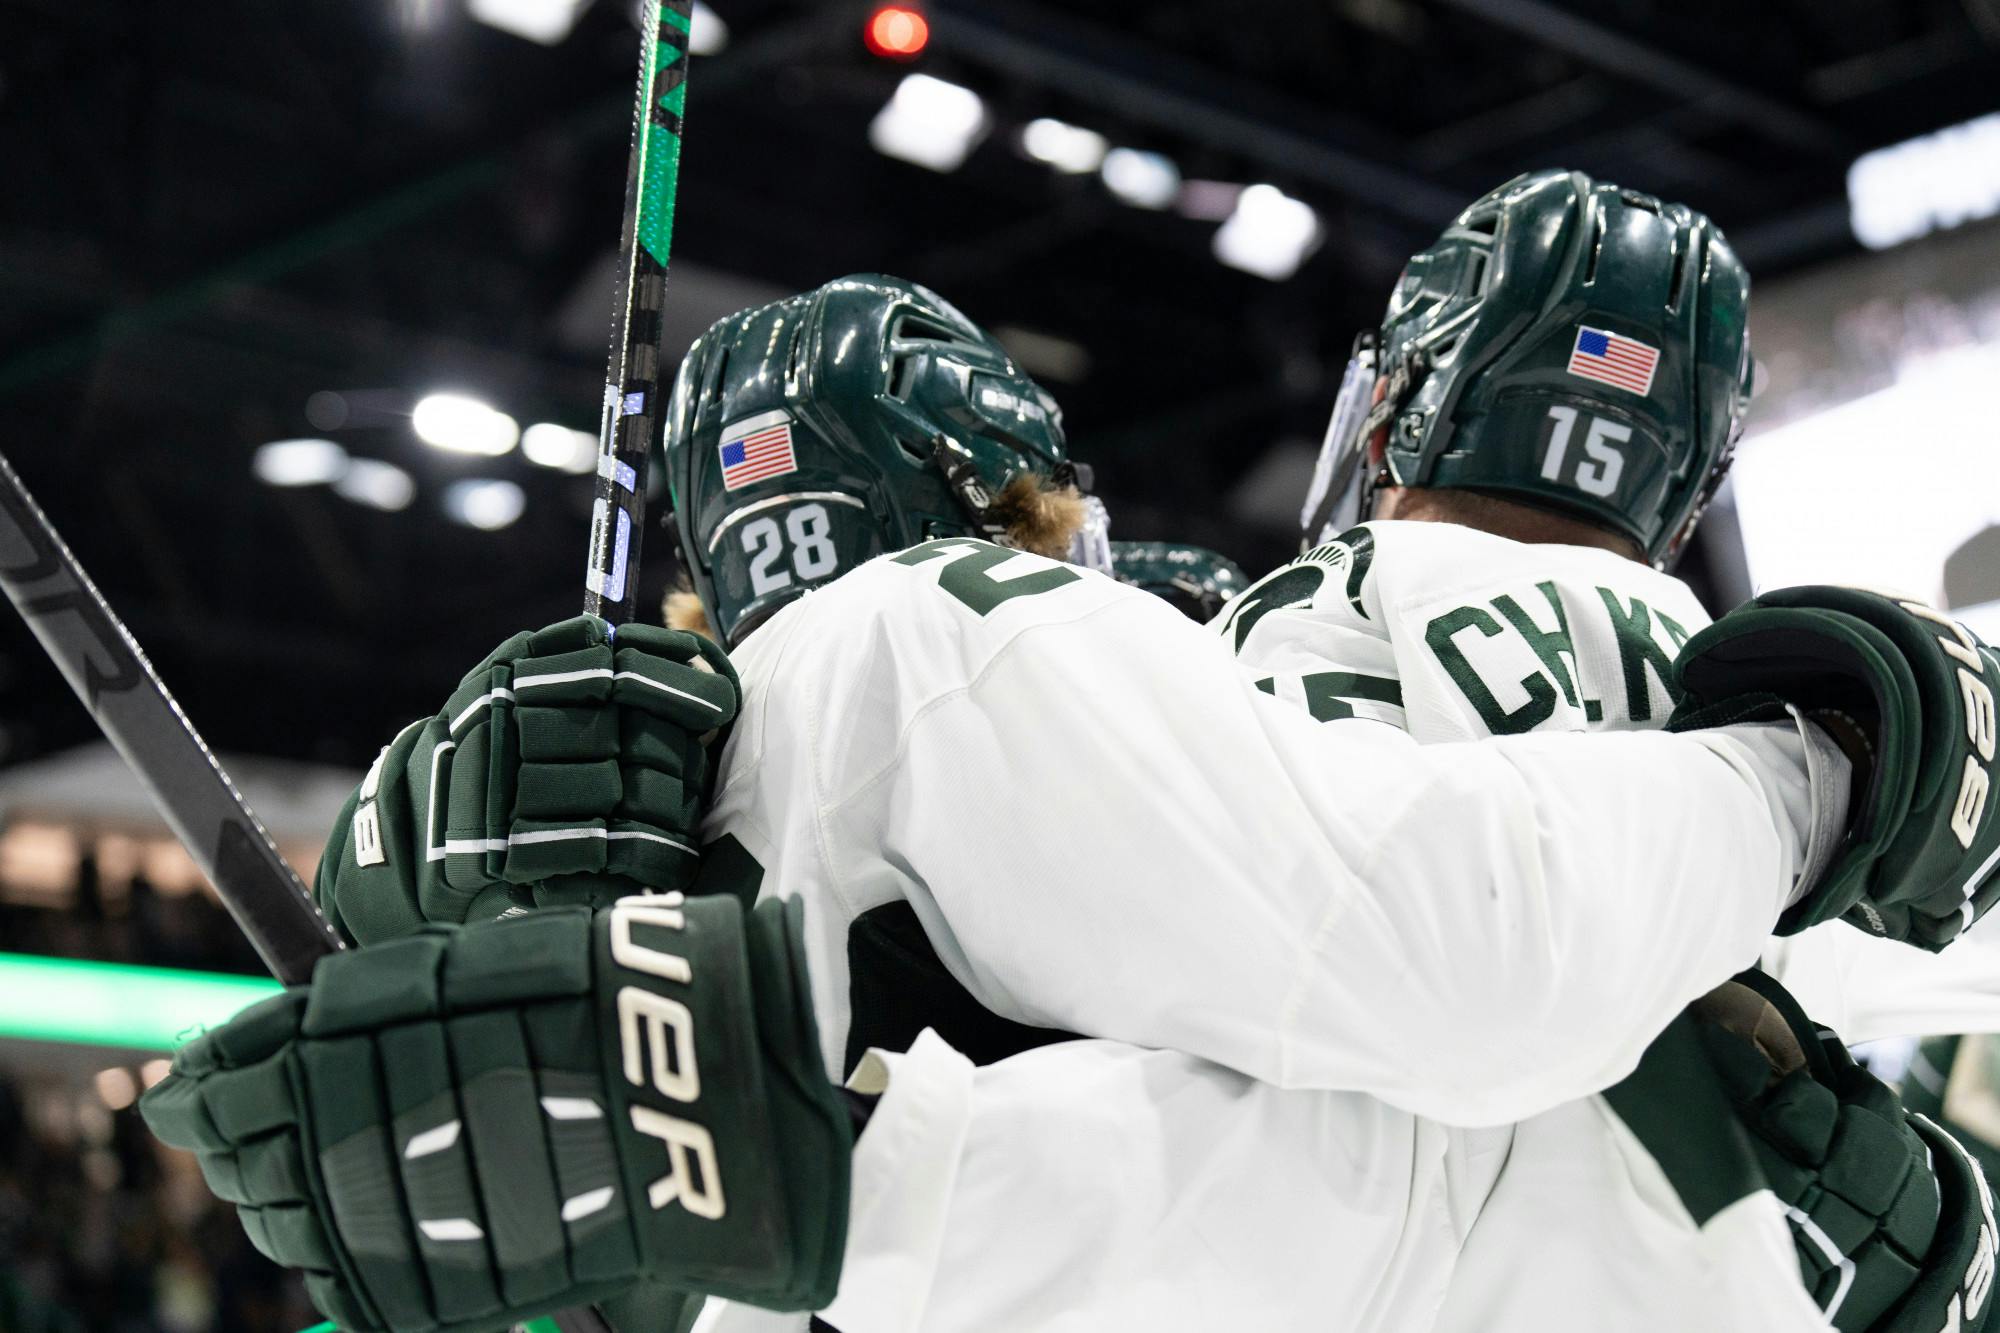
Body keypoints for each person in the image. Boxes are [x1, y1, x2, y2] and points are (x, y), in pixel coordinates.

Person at [145, 214, 2000, 1331]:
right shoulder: (990, 636)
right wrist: (1824, 767)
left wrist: (406, 851)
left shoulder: (645, 780)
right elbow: (1459, 999)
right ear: (1017, 497)